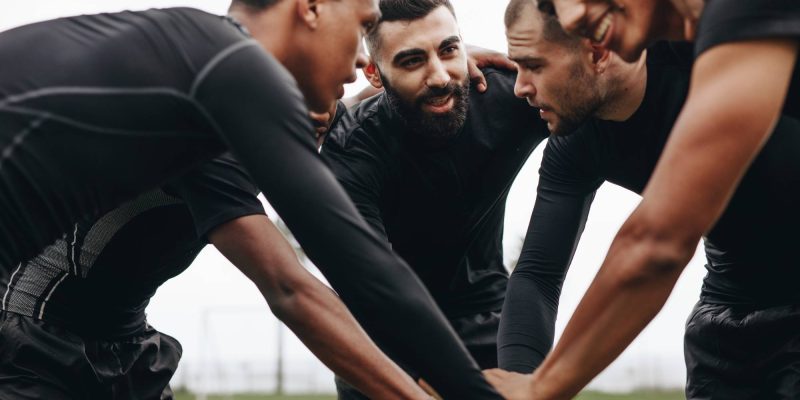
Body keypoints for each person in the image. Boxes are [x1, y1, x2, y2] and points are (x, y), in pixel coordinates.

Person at [0, 0, 505, 398]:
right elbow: (295, 288)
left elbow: (341, 110)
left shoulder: (204, 61)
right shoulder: (213, 97)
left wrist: (436, 70)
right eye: (361, 25)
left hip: (124, 344)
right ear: (311, 8)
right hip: (34, 345)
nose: (359, 61)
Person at [486, 0, 800, 398]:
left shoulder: (715, 40)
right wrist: (518, 379)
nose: (520, 87)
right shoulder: (577, 142)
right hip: (728, 305)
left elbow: (657, 242)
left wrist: (544, 387)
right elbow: (537, 275)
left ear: (596, 51)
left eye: (533, 65)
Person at [319, 0, 548, 398]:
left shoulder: (506, 94)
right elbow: (371, 290)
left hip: (492, 317)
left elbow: (588, 94)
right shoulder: (352, 151)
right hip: (385, 338)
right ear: (374, 72)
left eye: (448, 50)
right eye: (411, 61)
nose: (440, 77)